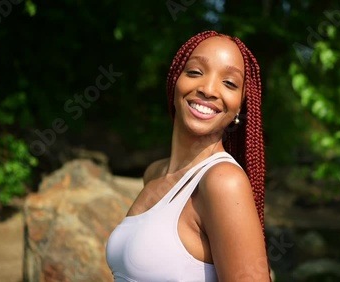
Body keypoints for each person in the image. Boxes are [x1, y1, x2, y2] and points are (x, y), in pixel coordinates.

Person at [106, 30, 269, 281]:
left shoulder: (224, 181)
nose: (209, 89)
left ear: (239, 105)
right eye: (195, 72)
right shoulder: (154, 173)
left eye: (229, 83)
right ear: (174, 81)